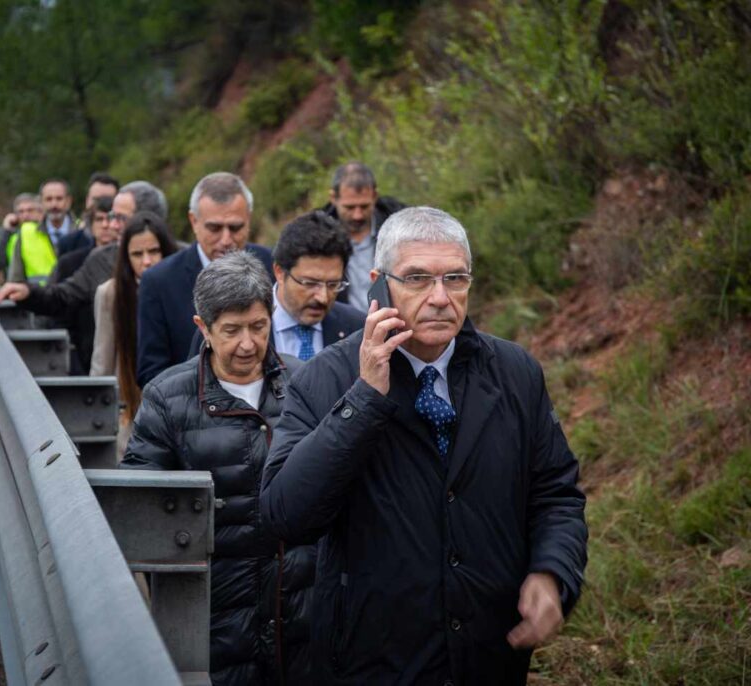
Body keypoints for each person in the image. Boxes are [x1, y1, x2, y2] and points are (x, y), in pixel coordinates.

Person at [261, 206, 588, 685]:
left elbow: (556, 494)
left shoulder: (515, 373)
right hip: (372, 660)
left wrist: (552, 571)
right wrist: (364, 400)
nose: (440, 298)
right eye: (417, 278)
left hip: (489, 656)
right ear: (379, 283)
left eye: (455, 278)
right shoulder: (325, 378)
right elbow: (286, 513)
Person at [122, 251, 314, 686]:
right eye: (231, 331)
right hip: (214, 621)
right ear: (203, 328)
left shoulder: (306, 382)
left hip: (303, 614)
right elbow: (140, 510)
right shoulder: (166, 398)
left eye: (259, 327)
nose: (248, 344)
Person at [136, 171, 273, 387]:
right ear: (194, 221)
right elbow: (151, 371)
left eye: (235, 228)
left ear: (249, 219)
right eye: (215, 228)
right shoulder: (159, 281)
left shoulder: (271, 265)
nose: (226, 239)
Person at [188, 210, 365, 360]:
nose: (323, 297)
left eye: (333, 284)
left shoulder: (356, 328)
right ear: (279, 272)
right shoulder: (224, 326)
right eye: (310, 283)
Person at [0, 181, 168, 318]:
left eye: (120, 218)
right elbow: (63, 296)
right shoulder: (100, 259)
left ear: (148, 218)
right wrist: (29, 293)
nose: (112, 225)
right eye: (112, 217)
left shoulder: (182, 261)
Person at [91, 212, 178, 457]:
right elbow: (102, 360)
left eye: (154, 251)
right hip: (130, 409)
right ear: (126, 258)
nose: (147, 261)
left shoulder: (182, 286)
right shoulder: (111, 293)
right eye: (137, 254)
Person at [321, 161, 406, 312]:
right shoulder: (318, 233)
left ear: (375, 196)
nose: (358, 215)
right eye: (349, 207)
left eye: (364, 206)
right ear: (333, 198)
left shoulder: (401, 226)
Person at [53, 195, 116, 375]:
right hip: (82, 354)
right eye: (99, 219)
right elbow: (60, 311)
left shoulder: (133, 261)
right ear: (90, 224)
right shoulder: (71, 263)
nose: (105, 225)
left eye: (110, 218)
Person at [7, 179, 76, 283]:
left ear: (68, 201)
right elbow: (16, 278)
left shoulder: (83, 230)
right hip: (38, 297)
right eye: (48, 199)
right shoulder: (26, 233)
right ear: (41, 203)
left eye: (59, 199)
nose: (54, 205)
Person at [57, 172, 119, 256]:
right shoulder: (68, 244)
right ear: (87, 200)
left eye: (107, 199)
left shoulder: (129, 244)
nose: (101, 204)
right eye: (96, 199)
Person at [0, 193, 43, 275]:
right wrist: (4, 230)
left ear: (40, 212)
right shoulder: (11, 237)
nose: (25, 215)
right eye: (21, 212)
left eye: (30, 210)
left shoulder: (49, 233)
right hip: (17, 286)